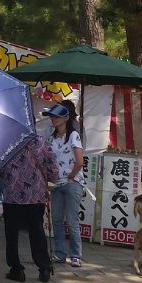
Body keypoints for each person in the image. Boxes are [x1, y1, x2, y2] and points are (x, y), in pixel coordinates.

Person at [0, 134, 59, 283]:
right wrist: (50, 178)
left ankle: (16, 268)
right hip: (36, 194)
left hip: (12, 194)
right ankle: (44, 267)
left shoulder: (7, 141)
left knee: (11, 231)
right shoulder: (42, 141)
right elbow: (52, 167)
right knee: (36, 228)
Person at [44, 102, 86, 268]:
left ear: (66, 118)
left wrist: (71, 176)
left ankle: (76, 254)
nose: (54, 119)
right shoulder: (51, 137)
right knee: (57, 220)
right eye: (52, 116)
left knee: (72, 220)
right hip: (56, 184)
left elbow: (79, 161)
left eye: (57, 116)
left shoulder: (73, 135)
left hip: (72, 182)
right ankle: (60, 253)